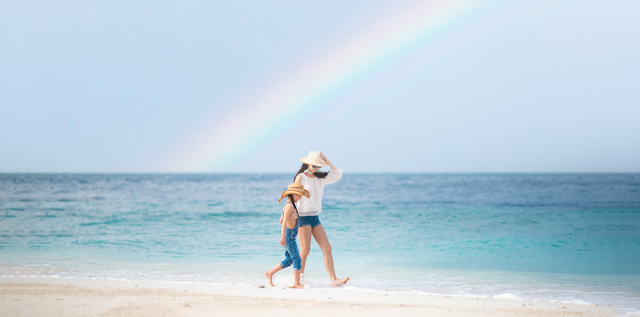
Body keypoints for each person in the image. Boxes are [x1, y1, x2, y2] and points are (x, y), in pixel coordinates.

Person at [293, 151, 349, 286]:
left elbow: (337, 175)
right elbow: (293, 196)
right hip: (303, 217)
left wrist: (328, 161)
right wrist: (289, 213)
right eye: (314, 165)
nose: (316, 168)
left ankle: (333, 280)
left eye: (318, 166)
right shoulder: (301, 177)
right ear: (307, 164)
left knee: (327, 247)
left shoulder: (320, 178)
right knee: (305, 250)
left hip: (315, 217)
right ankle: (298, 281)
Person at [265, 183, 310, 289]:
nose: (300, 197)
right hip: (289, 236)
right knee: (297, 259)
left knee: (290, 260)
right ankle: (297, 283)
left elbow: (280, 220)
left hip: (291, 235)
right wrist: (283, 236)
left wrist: (291, 219)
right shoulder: (289, 206)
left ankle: (270, 273)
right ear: (294, 194)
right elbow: (284, 222)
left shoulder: (290, 204)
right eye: (299, 195)